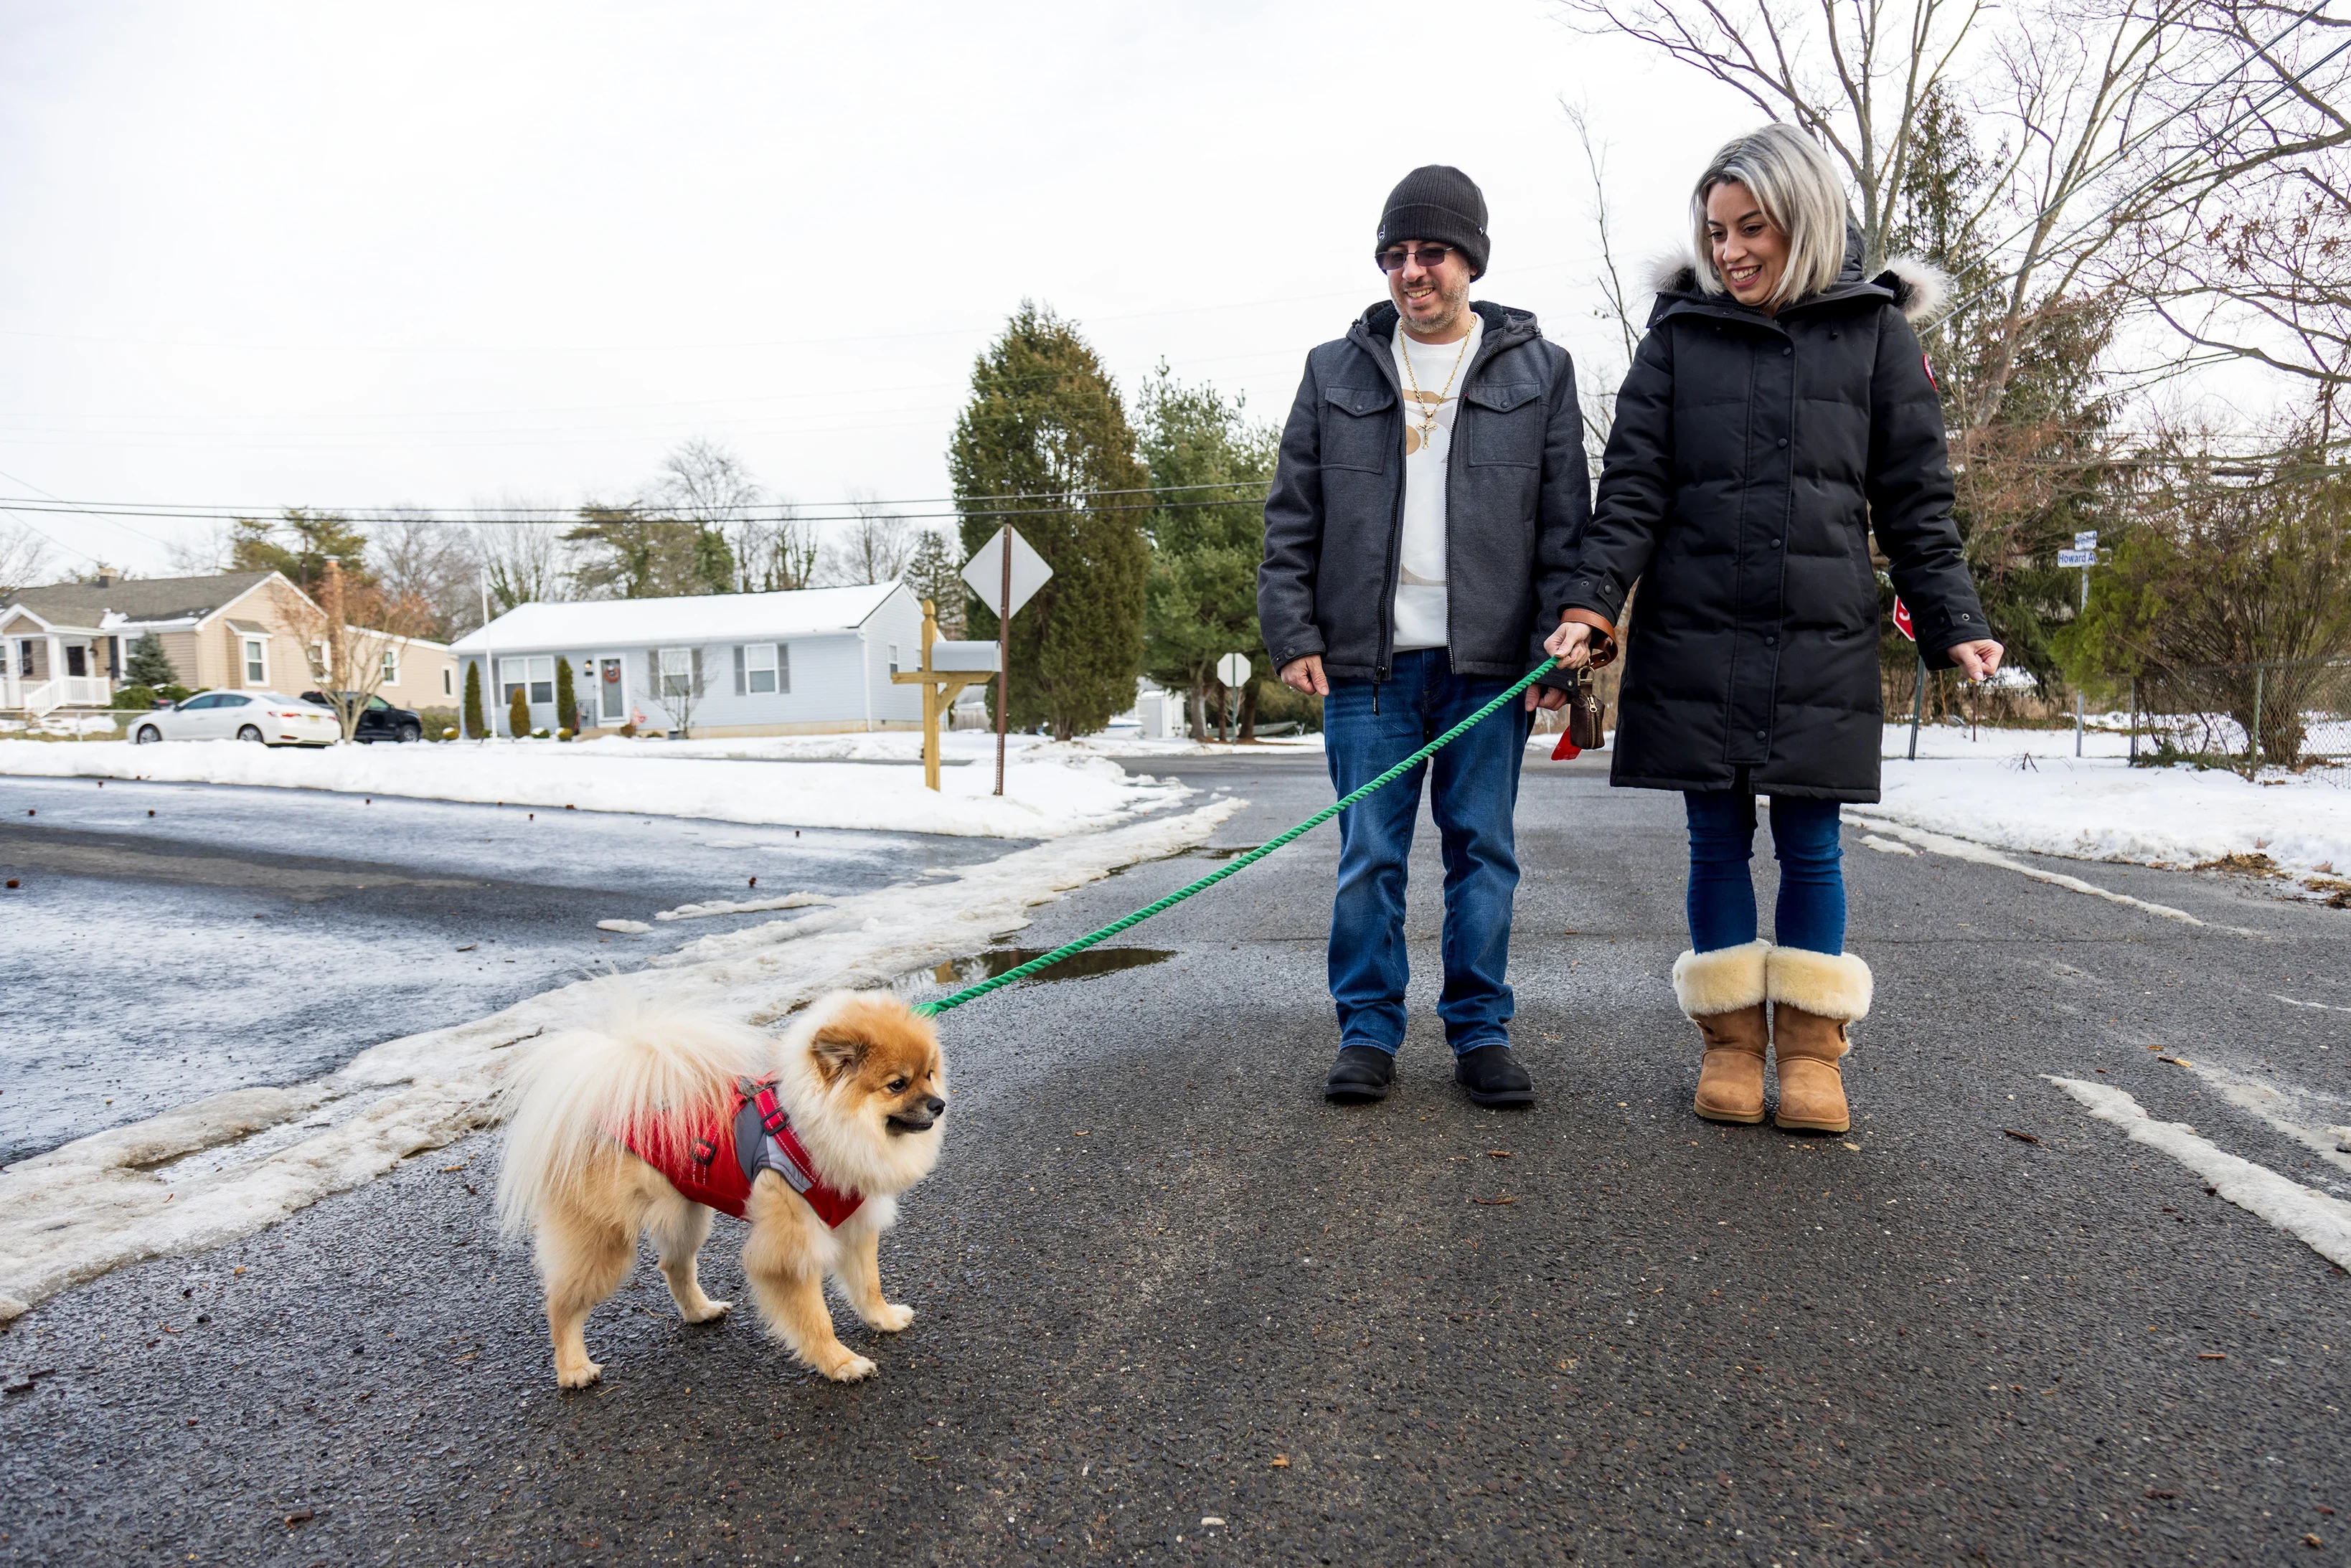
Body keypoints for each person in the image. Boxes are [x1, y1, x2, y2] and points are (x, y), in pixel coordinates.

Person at [1545, 125, 2002, 1135]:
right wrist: (1587, 603)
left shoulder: (1877, 334)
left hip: (1820, 629)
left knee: (1812, 843)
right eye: (1718, 232)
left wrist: (1952, 621)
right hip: (1696, 627)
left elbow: (1916, 501)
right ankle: (1728, 1046)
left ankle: (1809, 1056)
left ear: (1803, 218)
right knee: (1713, 842)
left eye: (1753, 227)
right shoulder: (1677, 333)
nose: (1733, 250)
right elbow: (1630, 492)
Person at [1259, 165, 1588, 1108]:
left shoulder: (1542, 369)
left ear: (1470, 260)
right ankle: (1367, 1032)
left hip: (1490, 666)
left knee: (1483, 847)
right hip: (1368, 667)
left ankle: (1481, 1031)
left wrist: (1557, 650)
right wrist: (1292, 632)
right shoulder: (1334, 370)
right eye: (1397, 255)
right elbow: (1291, 517)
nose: (1414, 272)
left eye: (1432, 253)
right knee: (1370, 852)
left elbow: (1568, 521)